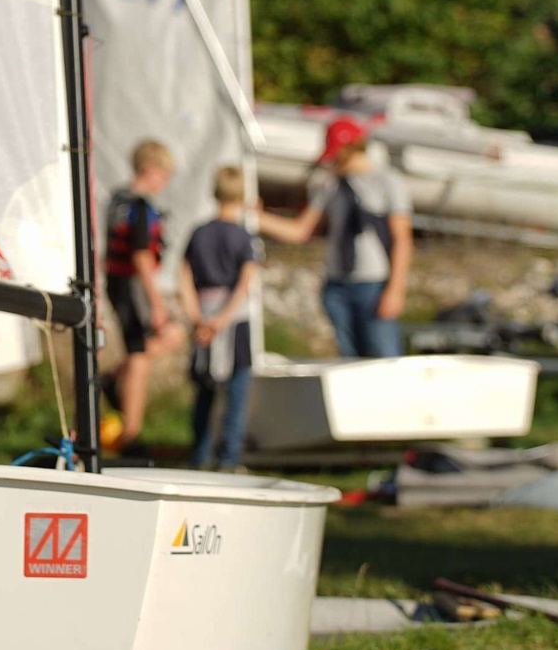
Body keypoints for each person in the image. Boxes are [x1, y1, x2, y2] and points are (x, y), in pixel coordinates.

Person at [251, 117, 411, 358]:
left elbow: (402, 238)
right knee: (348, 359)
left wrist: (395, 289)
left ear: (351, 149)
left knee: (383, 356)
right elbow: (300, 230)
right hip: (337, 285)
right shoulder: (330, 185)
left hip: (373, 284)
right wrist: (257, 218)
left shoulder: (387, 181)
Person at [178, 166, 261, 470]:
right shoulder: (243, 237)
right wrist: (224, 318)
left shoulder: (199, 233)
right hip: (233, 321)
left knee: (205, 390)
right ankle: (229, 456)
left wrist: (198, 318)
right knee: (236, 391)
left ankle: (199, 453)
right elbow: (245, 282)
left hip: (205, 314)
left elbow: (184, 277)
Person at [103, 140, 177, 450]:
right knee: (140, 355)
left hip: (117, 283)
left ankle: (112, 379)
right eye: (164, 174)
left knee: (164, 340)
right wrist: (157, 303)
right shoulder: (140, 206)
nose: (166, 181)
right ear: (148, 169)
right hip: (132, 287)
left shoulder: (118, 199)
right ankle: (130, 435)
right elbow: (142, 256)